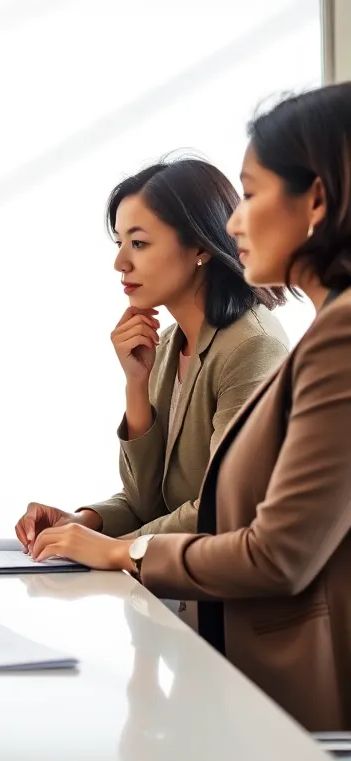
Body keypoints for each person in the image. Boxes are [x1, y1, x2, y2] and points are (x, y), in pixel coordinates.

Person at [30, 82, 351, 731]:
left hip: (281, 678)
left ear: (316, 200)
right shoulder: (192, 340)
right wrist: (132, 396)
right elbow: (158, 496)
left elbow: (270, 548)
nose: (234, 221)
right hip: (221, 648)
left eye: (252, 193)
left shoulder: (315, 338)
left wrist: (120, 551)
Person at [15, 159, 288, 554]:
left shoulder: (252, 347)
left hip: (228, 587)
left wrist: (109, 549)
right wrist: (84, 521)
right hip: (171, 581)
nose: (120, 263)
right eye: (119, 243)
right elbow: (147, 502)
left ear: (200, 247)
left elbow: (222, 508)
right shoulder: (167, 343)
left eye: (139, 243)